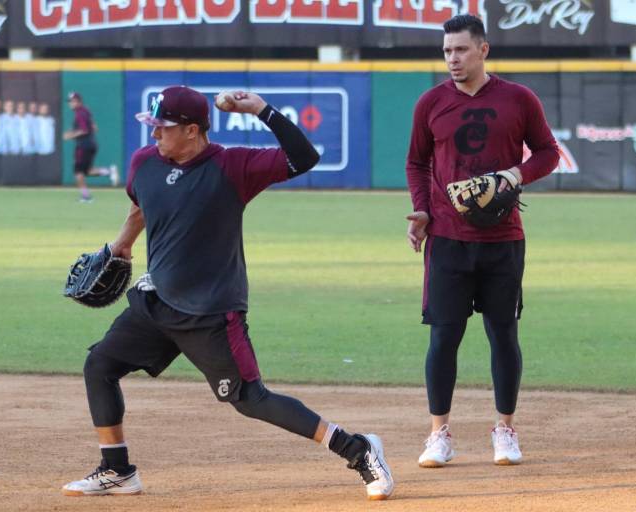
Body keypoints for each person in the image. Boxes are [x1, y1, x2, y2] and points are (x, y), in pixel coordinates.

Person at [61, 86, 394, 500]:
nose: (155, 135)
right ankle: (118, 470)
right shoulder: (144, 163)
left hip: (213, 312)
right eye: (153, 126)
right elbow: (141, 206)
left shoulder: (233, 166)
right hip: (156, 300)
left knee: (251, 399)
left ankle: (359, 449)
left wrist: (261, 110)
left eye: (163, 127)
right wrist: (120, 245)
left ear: (193, 130)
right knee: (100, 365)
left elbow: (304, 158)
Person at [405, 14, 559, 468]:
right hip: (448, 241)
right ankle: (439, 434)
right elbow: (417, 163)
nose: (453, 59)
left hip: (503, 239)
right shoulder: (430, 103)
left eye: (461, 50)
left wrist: (516, 173)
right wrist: (422, 210)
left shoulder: (518, 99)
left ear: (483, 50)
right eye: (447, 50)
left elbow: (549, 153)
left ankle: (505, 429)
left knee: (503, 334)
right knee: (443, 338)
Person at [63, 91, 119, 201]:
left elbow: (84, 130)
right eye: (70, 101)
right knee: (87, 171)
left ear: (78, 101)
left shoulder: (80, 113)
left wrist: (70, 135)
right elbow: (94, 127)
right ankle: (109, 171)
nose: (70, 103)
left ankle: (86, 196)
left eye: (72, 101)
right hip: (91, 144)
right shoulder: (86, 111)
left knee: (78, 172)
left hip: (83, 146)